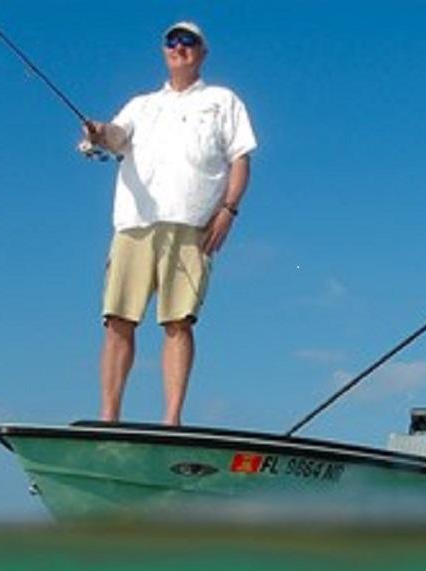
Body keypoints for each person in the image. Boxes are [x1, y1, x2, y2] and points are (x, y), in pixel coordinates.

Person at [80, 20, 257, 425]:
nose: (179, 47)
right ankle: (109, 417)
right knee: (118, 320)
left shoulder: (223, 100)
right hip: (134, 224)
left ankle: (171, 419)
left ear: (202, 52)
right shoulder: (141, 105)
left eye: (188, 41)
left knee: (179, 321)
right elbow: (113, 136)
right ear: (164, 51)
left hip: (192, 226)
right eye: (172, 41)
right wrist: (98, 132)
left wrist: (228, 210)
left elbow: (241, 158)